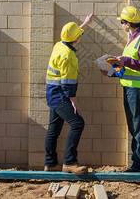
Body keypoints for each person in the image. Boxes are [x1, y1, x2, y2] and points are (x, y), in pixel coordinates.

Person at [101, 6, 140, 172]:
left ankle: (139, 165)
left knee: (139, 126)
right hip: (130, 88)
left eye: (123, 22)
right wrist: (113, 72)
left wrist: (124, 60)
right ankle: (137, 163)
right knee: (134, 127)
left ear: (129, 23)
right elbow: (131, 68)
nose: (121, 25)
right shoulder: (132, 39)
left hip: (138, 90)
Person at [44, 13, 94, 174]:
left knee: (54, 129)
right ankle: (69, 163)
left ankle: (50, 163)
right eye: (79, 36)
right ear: (76, 40)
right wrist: (74, 102)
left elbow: (72, 35)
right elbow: (68, 83)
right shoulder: (69, 56)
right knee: (78, 123)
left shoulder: (60, 45)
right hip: (60, 95)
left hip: (52, 93)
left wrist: (85, 24)